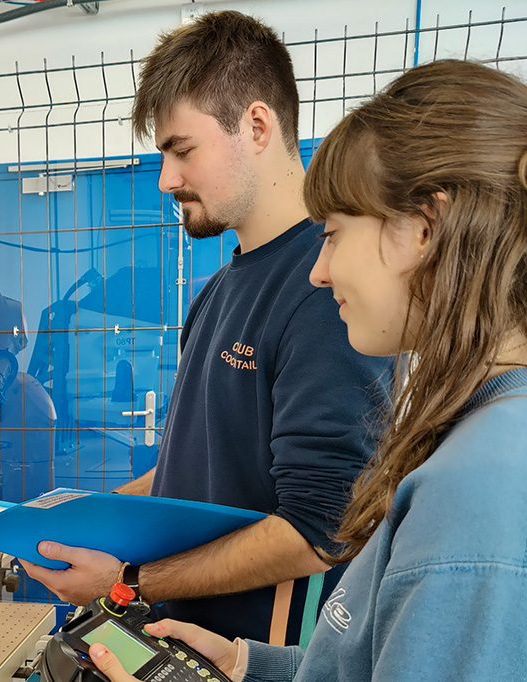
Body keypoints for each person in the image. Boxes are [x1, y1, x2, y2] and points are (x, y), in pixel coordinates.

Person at [87, 58, 527, 682]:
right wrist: (250, 665)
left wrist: (133, 579)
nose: (320, 272)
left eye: (334, 233)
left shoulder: (481, 483)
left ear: (424, 229)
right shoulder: (471, 439)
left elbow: (318, 525)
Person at [20, 11, 390, 645]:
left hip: (256, 654)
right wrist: (84, 517)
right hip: (184, 644)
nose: (166, 178)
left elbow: (320, 528)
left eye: (182, 150)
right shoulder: (218, 290)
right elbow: (197, 470)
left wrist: (130, 579)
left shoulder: (330, 288)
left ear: (256, 125)